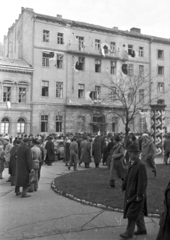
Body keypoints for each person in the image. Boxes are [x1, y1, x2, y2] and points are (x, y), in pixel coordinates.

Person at [120, 143, 148, 239]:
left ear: (137, 154)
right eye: (129, 152)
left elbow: (143, 181)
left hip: (136, 194)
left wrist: (139, 195)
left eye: (132, 153)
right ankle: (142, 229)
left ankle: (129, 233)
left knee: (131, 213)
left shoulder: (140, 165)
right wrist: (123, 186)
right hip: (130, 192)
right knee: (137, 212)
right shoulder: (131, 163)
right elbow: (127, 177)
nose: (130, 154)